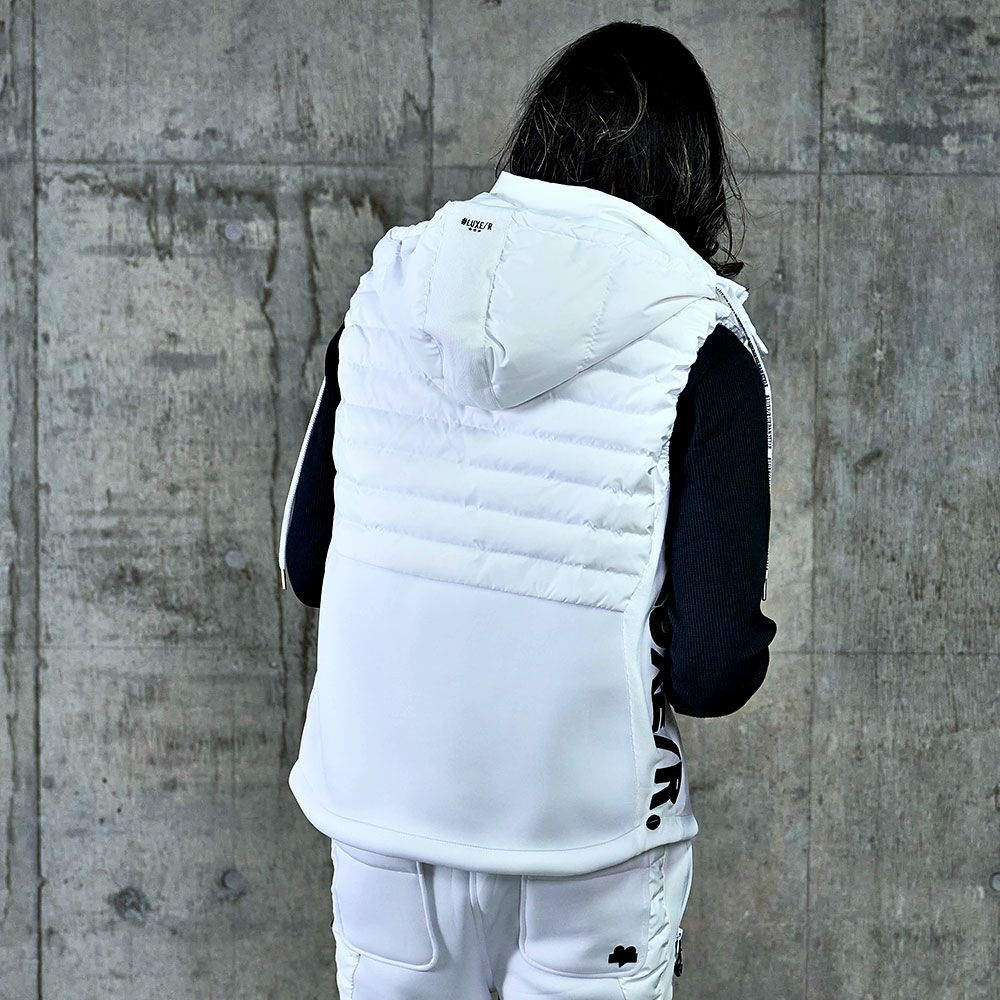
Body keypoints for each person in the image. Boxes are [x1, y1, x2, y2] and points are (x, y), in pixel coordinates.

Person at [277, 19, 776, 1000]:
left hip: (384, 824)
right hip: (589, 842)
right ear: (692, 172)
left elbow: (308, 562)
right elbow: (713, 668)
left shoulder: (391, 287)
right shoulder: (701, 341)